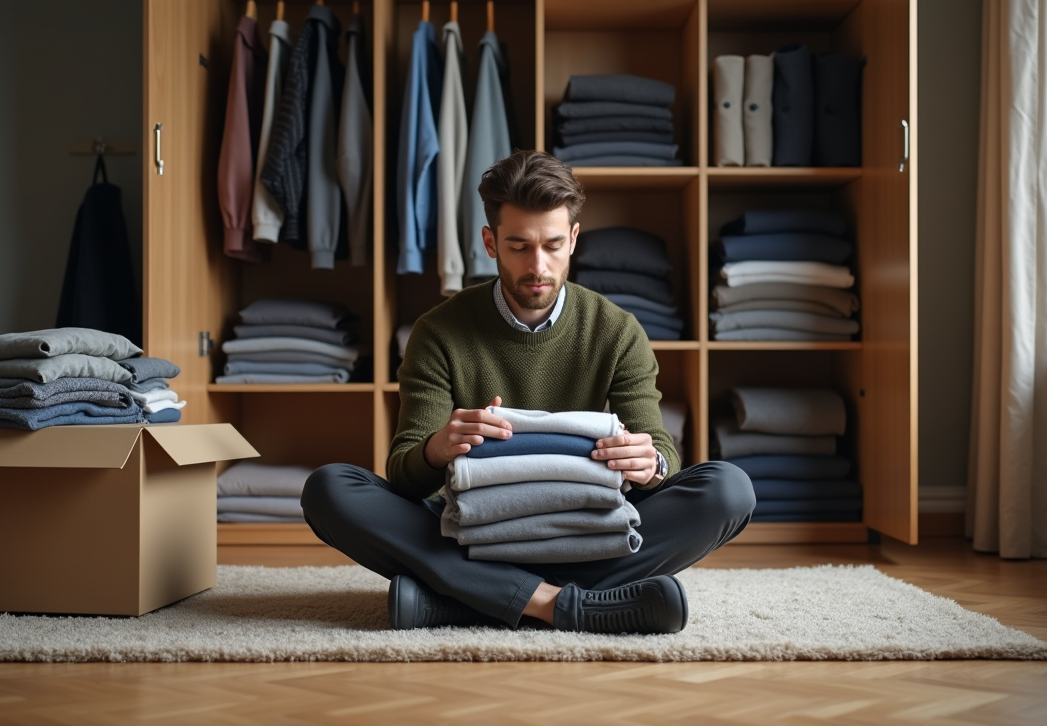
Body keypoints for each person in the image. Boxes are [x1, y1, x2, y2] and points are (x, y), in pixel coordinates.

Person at [302, 150, 755, 634]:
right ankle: (562, 604)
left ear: (574, 239)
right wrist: (437, 449)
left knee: (729, 490)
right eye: (518, 246)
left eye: (553, 245)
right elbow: (404, 475)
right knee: (329, 489)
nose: (537, 266)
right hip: (474, 529)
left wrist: (651, 463)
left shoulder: (618, 330)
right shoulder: (438, 332)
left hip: (587, 529)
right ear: (490, 242)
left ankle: (465, 599)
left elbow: (662, 456)